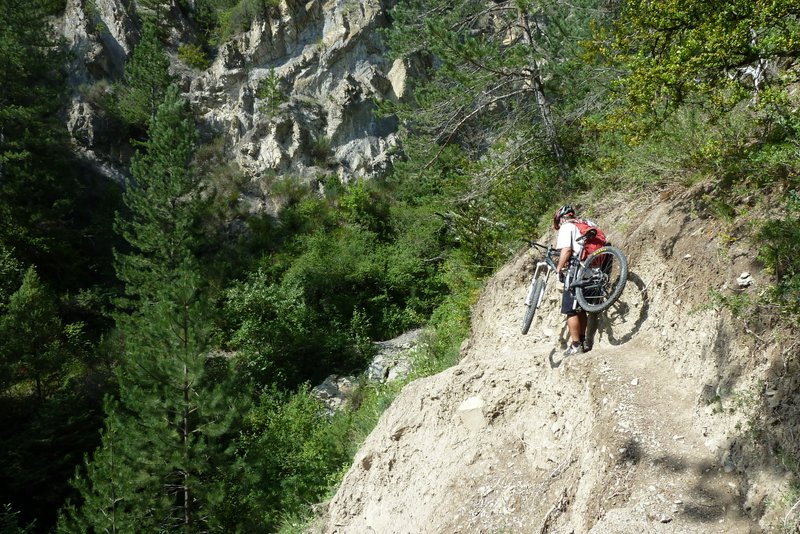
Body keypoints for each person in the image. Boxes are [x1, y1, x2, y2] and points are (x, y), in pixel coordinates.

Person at [552, 204, 596, 356]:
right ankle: (582, 340)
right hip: (596, 270)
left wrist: (559, 269)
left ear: (561, 219)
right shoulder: (588, 223)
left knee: (570, 310)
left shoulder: (567, 226)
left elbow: (567, 250)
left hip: (578, 271)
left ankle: (576, 345)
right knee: (581, 308)